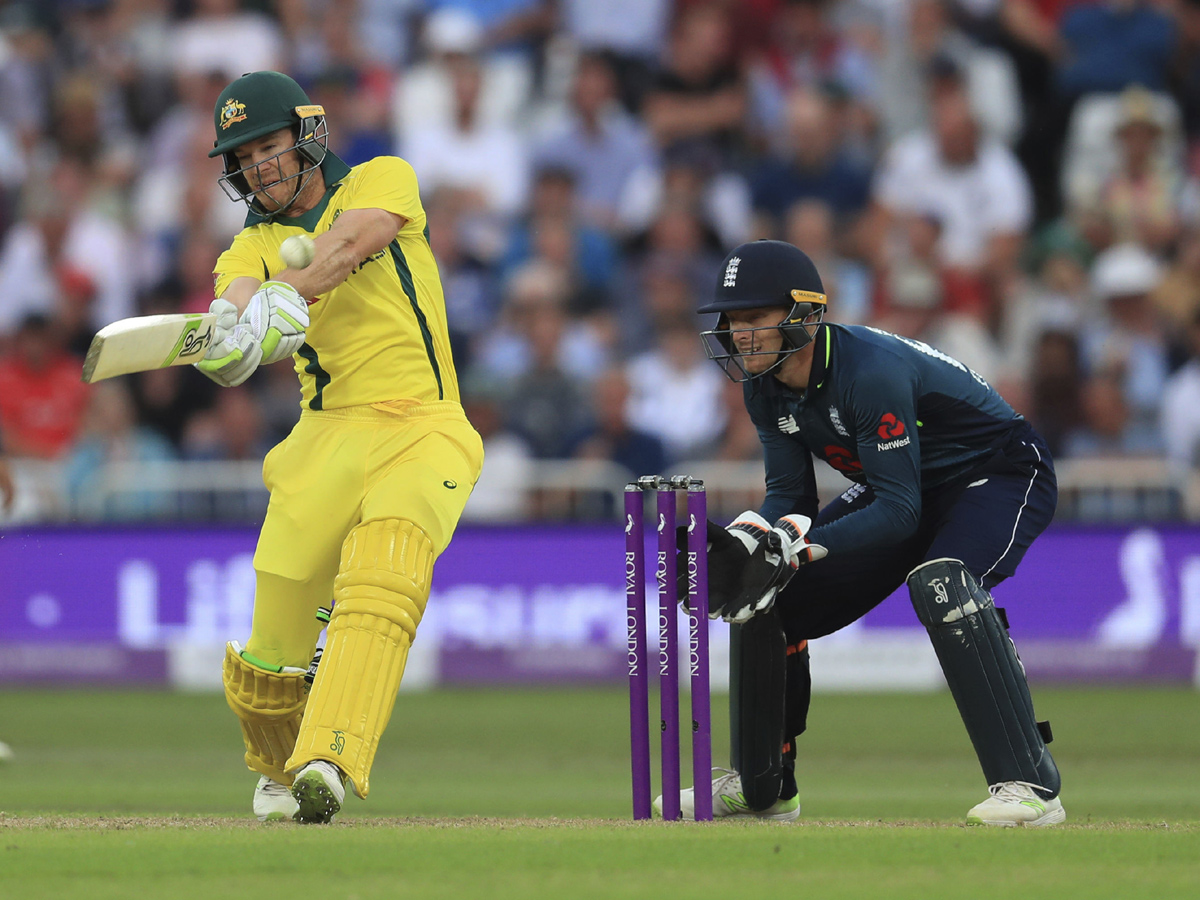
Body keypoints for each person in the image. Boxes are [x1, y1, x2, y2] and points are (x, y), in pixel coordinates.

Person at [658, 239, 1064, 826]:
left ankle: (1030, 786)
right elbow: (790, 495)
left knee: (943, 581)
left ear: (805, 315)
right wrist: (756, 538)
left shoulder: (870, 373)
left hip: (996, 471)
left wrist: (796, 546)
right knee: (764, 591)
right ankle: (762, 786)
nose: (737, 333)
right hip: (904, 485)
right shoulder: (763, 382)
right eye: (730, 320)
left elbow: (898, 511)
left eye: (753, 319)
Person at [196, 71, 483, 824]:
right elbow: (228, 309)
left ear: (307, 135)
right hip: (321, 438)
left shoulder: (380, 179)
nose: (257, 166)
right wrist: (225, 343)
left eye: (267, 146)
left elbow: (357, 239)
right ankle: (279, 765)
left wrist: (290, 294)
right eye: (242, 156)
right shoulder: (249, 246)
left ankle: (330, 754)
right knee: (269, 658)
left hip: (423, 425)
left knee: (381, 577)